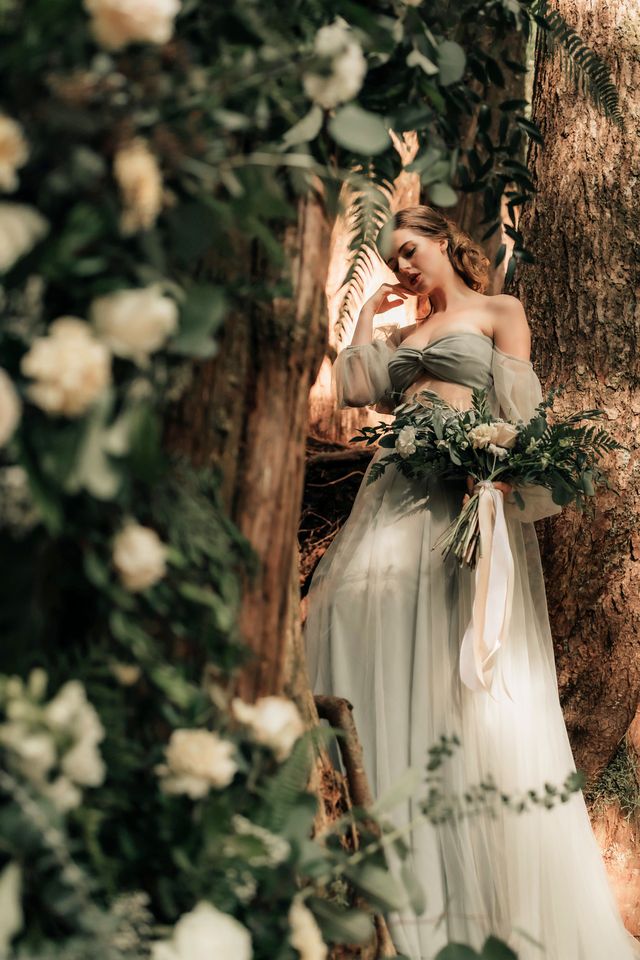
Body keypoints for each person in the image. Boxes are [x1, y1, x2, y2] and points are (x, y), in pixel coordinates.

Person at [303, 206, 640, 960]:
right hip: (391, 495)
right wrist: (368, 311)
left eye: (409, 250)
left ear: (444, 240)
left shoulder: (498, 311)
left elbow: (523, 411)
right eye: (391, 259)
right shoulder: (405, 333)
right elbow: (356, 386)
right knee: (354, 610)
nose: (403, 266)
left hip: (460, 498)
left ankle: (465, 878)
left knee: (457, 666)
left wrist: (498, 464)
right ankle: (374, 826)